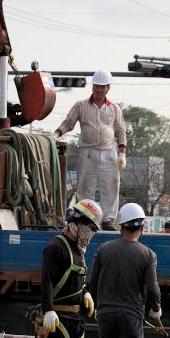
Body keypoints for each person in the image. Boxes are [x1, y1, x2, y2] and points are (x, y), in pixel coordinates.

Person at [23, 200, 103, 338]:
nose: (91, 233)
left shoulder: (79, 251)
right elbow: (46, 281)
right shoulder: (56, 248)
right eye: (90, 227)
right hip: (56, 320)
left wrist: (85, 293)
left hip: (74, 320)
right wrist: (48, 310)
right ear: (76, 223)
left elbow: (78, 279)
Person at [90, 203, 161, 338]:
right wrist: (155, 312)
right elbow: (153, 290)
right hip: (131, 315)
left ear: (121, 226)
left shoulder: (104, 249)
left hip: (105, 313)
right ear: (141, 228)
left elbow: (91, 283)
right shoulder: (148, 255)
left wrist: (95, 304)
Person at [55, 70, 127, 227]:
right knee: (85, 185)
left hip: (109, 152)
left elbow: (121, 130)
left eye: (102, 87)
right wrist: (56, 134)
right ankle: (85, 217)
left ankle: (108, 220)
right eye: (96, 86)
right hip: (88, 152)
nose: (99, 90)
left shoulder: (114, 108)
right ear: (92, 86)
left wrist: (122, 153)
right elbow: (68, 123)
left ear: (108, 88)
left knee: (111, 186)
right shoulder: (81, 106)